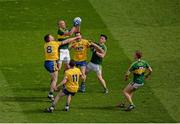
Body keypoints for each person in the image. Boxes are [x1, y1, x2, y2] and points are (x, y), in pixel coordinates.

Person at [44, 34, 81, 100]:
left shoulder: (46, 45)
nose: (53, 36)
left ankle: (51, 91)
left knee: (53, 79)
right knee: (55, 79)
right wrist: (75, 38)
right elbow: (66, 41)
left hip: (46, 63)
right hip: (52, 63)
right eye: (51, 36)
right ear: (49, 39)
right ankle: (51, 94)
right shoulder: (55, 43)